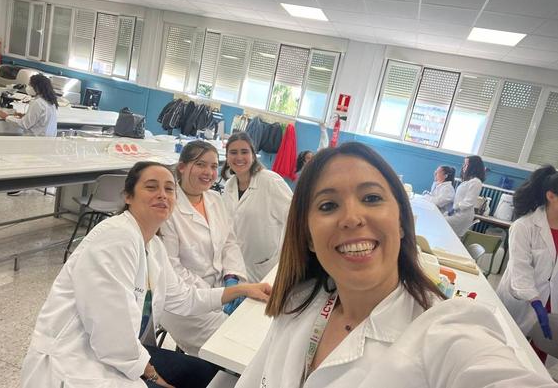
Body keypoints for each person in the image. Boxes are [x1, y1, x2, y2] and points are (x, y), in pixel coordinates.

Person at [235, 142, 556, 388]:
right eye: (328, 205)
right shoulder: (299, 302)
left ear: (403, 222)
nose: (351, 218)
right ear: (307, 237)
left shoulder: (445, 332)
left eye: (372, 198)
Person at [21, 161, 271, 388]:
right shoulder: (115, 238)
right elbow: (111, 334)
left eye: (169, 189)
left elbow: (185, 299)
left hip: (120, 354)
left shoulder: (153, 246)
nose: (162, 194)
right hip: (77, 359)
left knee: (208, 372)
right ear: (128, 196)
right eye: (151, 187)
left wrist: (241, 289)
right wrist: (153, 376)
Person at [160, 141, 248, 356]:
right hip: (184, 301)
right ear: (182, 166)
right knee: (232, 348)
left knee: (248, 331)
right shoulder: (167, 208)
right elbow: (172, 268)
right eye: (200, 164)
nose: (209, 172)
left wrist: (232, 277)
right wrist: (219, 296)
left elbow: (229, 242)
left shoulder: (215, 199)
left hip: (221, 287)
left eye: (213, 166)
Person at [497, 165, 558, 363]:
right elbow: (520, 272)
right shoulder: (524, 226)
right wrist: (537, 303)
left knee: (535, 364)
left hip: (552, 307)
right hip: (523, 303)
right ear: (551, 196)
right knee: (508, 357)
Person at [221, 132, 293, 282]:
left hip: (265, 267)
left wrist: (288, 258)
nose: (239, 157)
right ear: (227, 158)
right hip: (236, 265)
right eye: (233, 152)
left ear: (253, 156)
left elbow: (294, 218)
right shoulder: (229, 186)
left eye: (244, 152)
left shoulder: (270, 181)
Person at [445, 155, 485, 237]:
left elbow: (469, 202)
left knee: (442, 224)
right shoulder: (468, 181)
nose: (464, 166)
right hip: (457, 212)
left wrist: (454, 208)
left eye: (466, 164)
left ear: (473, 167)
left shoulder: (476, 182)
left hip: (462, 215)